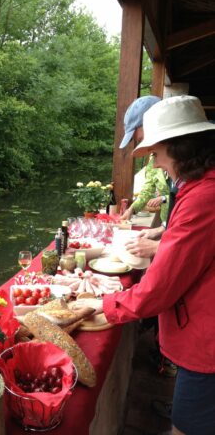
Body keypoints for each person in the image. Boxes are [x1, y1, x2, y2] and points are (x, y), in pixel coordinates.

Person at [75, 95, 215, 434]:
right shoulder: (199, 187)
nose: (153, 164)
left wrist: (101, 304)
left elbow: (159, 289)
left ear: (178, 147)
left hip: (207, 341)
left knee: (185, 427)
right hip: (201, 330)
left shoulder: (202, 197)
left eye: (155, 153)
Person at [118, 95, 170, 259]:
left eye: (139, 139)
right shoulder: (155, 160)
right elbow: (147, 190)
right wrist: (162, 228)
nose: (145, 149)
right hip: (170, 228)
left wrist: (157, 247)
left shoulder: (203, 183)